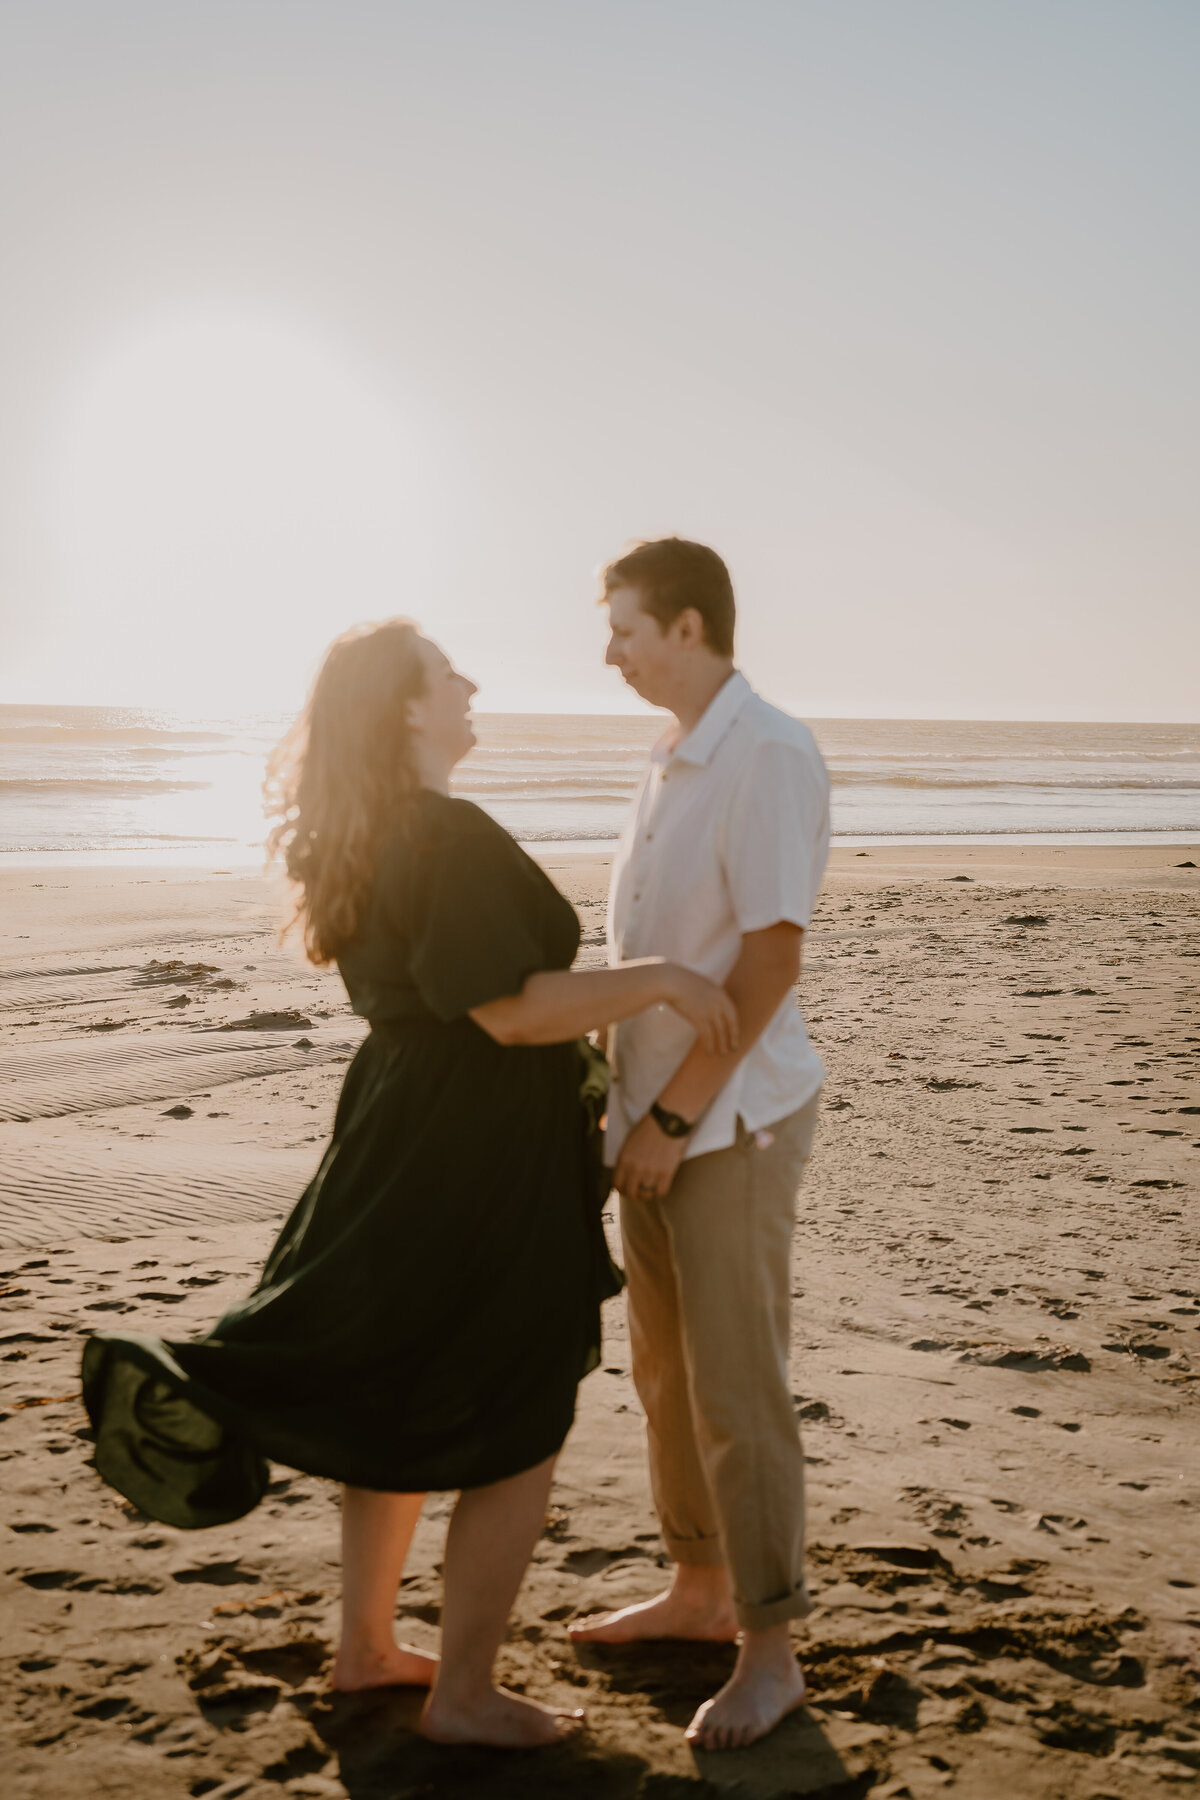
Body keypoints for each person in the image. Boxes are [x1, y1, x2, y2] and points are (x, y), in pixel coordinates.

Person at [81, 619, 738, 1750]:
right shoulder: (441, 831)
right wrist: (663, 980)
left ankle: (368, 1649)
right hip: (470, 1147)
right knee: (519, 1409)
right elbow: (510, 1009)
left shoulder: (368, 829)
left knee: (399, 1380)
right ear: (406, 709)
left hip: (399, 1128)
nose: (475, 683)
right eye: (450, 675)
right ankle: (468, 1694)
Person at [568, 539, 831, 1753]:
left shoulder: (766, 751)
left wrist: (678, 1119)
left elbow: (768, 963)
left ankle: (769, 1648)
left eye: (622, 627)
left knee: (735, 1386)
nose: (608, 650)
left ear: (685, 625)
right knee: (664, 1378)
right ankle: (698, 1588)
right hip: (653, 1119)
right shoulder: (672, 754)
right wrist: (637, 1111)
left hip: (727, 1122)